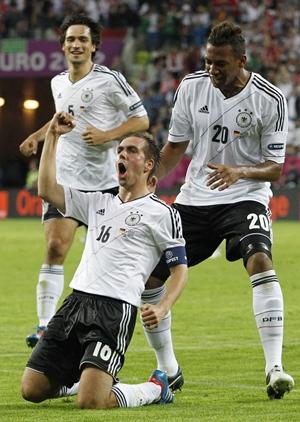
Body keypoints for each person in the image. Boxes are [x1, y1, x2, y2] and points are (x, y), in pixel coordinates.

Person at [144, 20, 294, 400]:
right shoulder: (192, 88)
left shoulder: (270, 98)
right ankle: (169, 369)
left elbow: (276, 167)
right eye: (208, 61)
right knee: (148, 277)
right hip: (195, 199)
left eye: (220, 64)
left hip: (246, 195)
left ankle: (274, 367)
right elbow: (175, 146)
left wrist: (239, 171)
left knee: (259, 259)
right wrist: (147, 183)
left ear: (242, 60)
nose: (212, 70)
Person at [21, 111, 188, 409]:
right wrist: (54, 136)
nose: (122, 154)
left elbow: (179, 270)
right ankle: (86, 380)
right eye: (120, 150)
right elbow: (46, 189)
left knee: (91, 403)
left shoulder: (162, 213)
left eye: (131, 150)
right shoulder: (98, 201)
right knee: (31, 390)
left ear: (148, 165)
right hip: (75, 304)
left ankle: (156, 388)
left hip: (114, 310)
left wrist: (163, 306)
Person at [19, 13, 149, 348]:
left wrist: (109, 134)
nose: (77, 45)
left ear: (93, 47)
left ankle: (108, 322)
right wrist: (38, 135)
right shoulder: (58, 83)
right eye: (71, 40)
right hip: (65, 180)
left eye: (83, 40)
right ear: (63, 46)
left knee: (107, 257)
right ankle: (45, 326)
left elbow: (141, 119)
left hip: (105, 183)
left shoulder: (110, 80)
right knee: (54, 247)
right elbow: (61, 117)